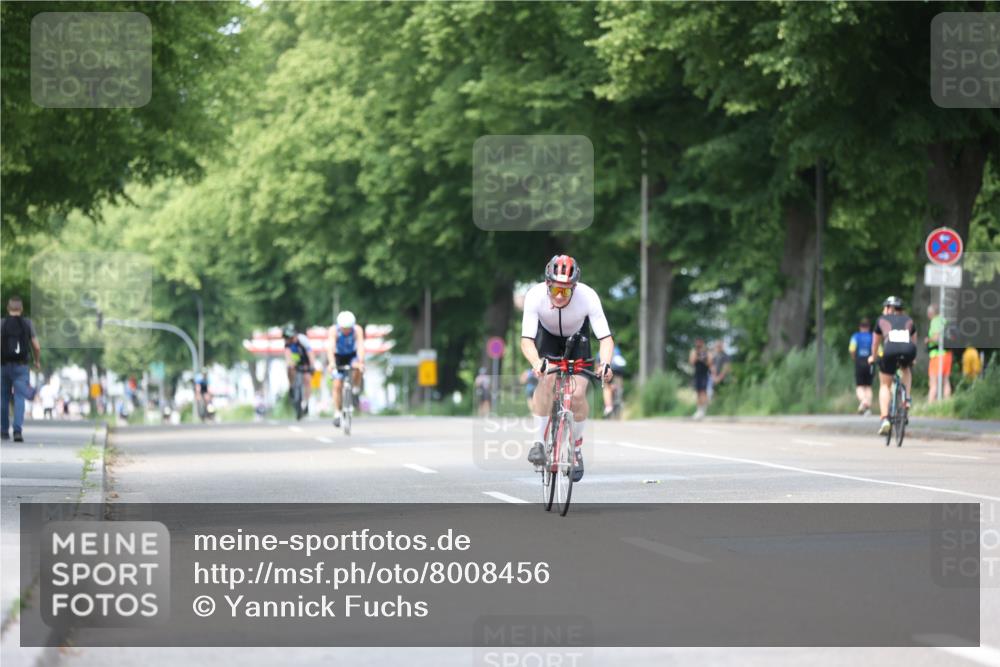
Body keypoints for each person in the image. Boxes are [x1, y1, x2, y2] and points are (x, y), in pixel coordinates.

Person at [522, 255, 614, 482]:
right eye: (556, 291)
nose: (561, 297)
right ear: (547, 285)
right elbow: (526, 340)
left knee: (577, 394)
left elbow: (606, 339)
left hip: (578, 338)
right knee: (547, 380)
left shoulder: (588, 296)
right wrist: (536, 363)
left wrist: (605, 363)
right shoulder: (534, 296)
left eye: (566, 292)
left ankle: (576, 448)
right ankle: (539, 443)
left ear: (575, 287)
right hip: (548, 339)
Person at [868, 296, 917, 436]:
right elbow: (913, 342)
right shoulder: (909, 320)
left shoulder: (881, 320)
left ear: (889, 308)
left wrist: (873, 357)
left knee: (884, 384)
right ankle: (906, 398)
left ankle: (884, 419)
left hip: (889, 351)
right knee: (906, 369)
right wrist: (912, 359)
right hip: (908, 351)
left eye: (885, 307)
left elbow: (875, 345)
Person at [1, 296, 41, 442]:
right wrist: (37, 361)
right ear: (21, 309)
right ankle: (17, 431)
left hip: (3, 366)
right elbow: (36, 346)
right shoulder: (27, 324)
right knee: (19, 398)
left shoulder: (2, 324)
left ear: (8, 308)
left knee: (3, 398)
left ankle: (4, 431)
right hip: (21, 366)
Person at [326, 311, 365, 427]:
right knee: (337, 385)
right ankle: (337, 412)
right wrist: (332, 363)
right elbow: (330, 347)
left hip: (352, 356)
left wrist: (361, 362)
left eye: (348, 328)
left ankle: (355, 391)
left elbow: (360, 346)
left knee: (358, 369)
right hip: (338, 357)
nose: (346, 330)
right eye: (344, 328)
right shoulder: (334, 330)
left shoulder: (357, 330)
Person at [283, 324, 315, 414]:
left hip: (305, 360)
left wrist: (312, 365)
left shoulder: (302, 339)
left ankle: (306, 402)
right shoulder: (287, 343)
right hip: (295, 359)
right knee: (289, 368)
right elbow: (287, 354)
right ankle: (291, 385)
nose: (288, 340)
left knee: (307, 380)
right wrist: (290, 364)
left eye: (290, 338)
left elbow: (310, 352)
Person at [925, 304, 952, 403]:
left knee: (933, 382)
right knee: (946, 381)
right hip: (947, 354)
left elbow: (936, 338)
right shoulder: (944, 320)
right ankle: (947, 404)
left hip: (937, 355)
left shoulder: (935, 321)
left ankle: (930, 406)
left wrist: (928, 340)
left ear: (931, 313)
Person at [848, 318, 875, 415]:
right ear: (869, 327)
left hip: (859, 361)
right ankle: (867, 409)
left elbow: (851, 349)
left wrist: (854, 357)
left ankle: (864, 402)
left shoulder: (856, 336)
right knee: (868, 386)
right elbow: (879, 351)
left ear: (860, 327)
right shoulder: (873, 336)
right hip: (870, 361)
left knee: (860, 386)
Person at [602, 344, 627, 418]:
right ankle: (620, 393)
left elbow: (599, 364)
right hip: (619, 370)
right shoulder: (617, 349)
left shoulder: (603, 349)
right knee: (619, 382)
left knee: (607, 387)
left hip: (611, 369)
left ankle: (608, 406)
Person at [689, 338, 711, 419]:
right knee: (698, 392)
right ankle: (699, 410)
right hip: (697, 374)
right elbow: (691, 362)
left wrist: (703, 358)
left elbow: (710, 363)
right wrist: (697, 355)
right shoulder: (694, 351)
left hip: (704, 374)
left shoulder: (707, 352)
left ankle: (704, 410)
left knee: (703, 392)